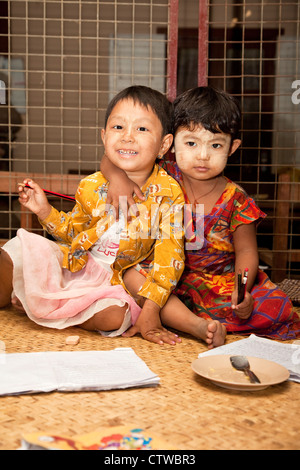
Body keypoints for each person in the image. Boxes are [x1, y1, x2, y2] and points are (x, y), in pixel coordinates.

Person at [0, 85, 226, 348]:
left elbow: (170, 255)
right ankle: (22, 300)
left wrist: (151, 311)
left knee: (116, 315)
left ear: (164, 145)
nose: (128, 137)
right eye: (118, 128)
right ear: (104, 136)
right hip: (76, 266)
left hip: (116, 281)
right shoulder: (91, 185)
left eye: (141, 129)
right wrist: (44, 211)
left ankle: (49, 305)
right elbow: (73, 233)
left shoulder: (168, 193)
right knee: (15, 250)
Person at [101, 86, 300, 340]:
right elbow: (111, 157)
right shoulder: (162, 174)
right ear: (170, 143)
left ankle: (189, 319)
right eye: (191, 143)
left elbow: (248, 252)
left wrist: (242, 290)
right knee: (131, 275)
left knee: (275, 304)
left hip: (219, 281)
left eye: (216, 145)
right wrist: (117, 178)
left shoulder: (236, 199)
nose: (203, 156)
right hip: (166, 275)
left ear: (232, 147)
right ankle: (197, 325)